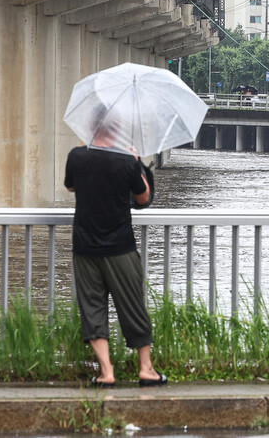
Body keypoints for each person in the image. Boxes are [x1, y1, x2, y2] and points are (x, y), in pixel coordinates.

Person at [64, 122, 166, 388]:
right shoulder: (125, 161)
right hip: (120, 247)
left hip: (85, 247)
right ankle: (146, 369)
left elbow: (72, 187)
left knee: (92, 309)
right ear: (116, 131)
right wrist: (136, 162)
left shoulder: (76, 156)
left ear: (92, 129)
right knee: (133, 306)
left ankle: (106, 372)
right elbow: (143, 198)